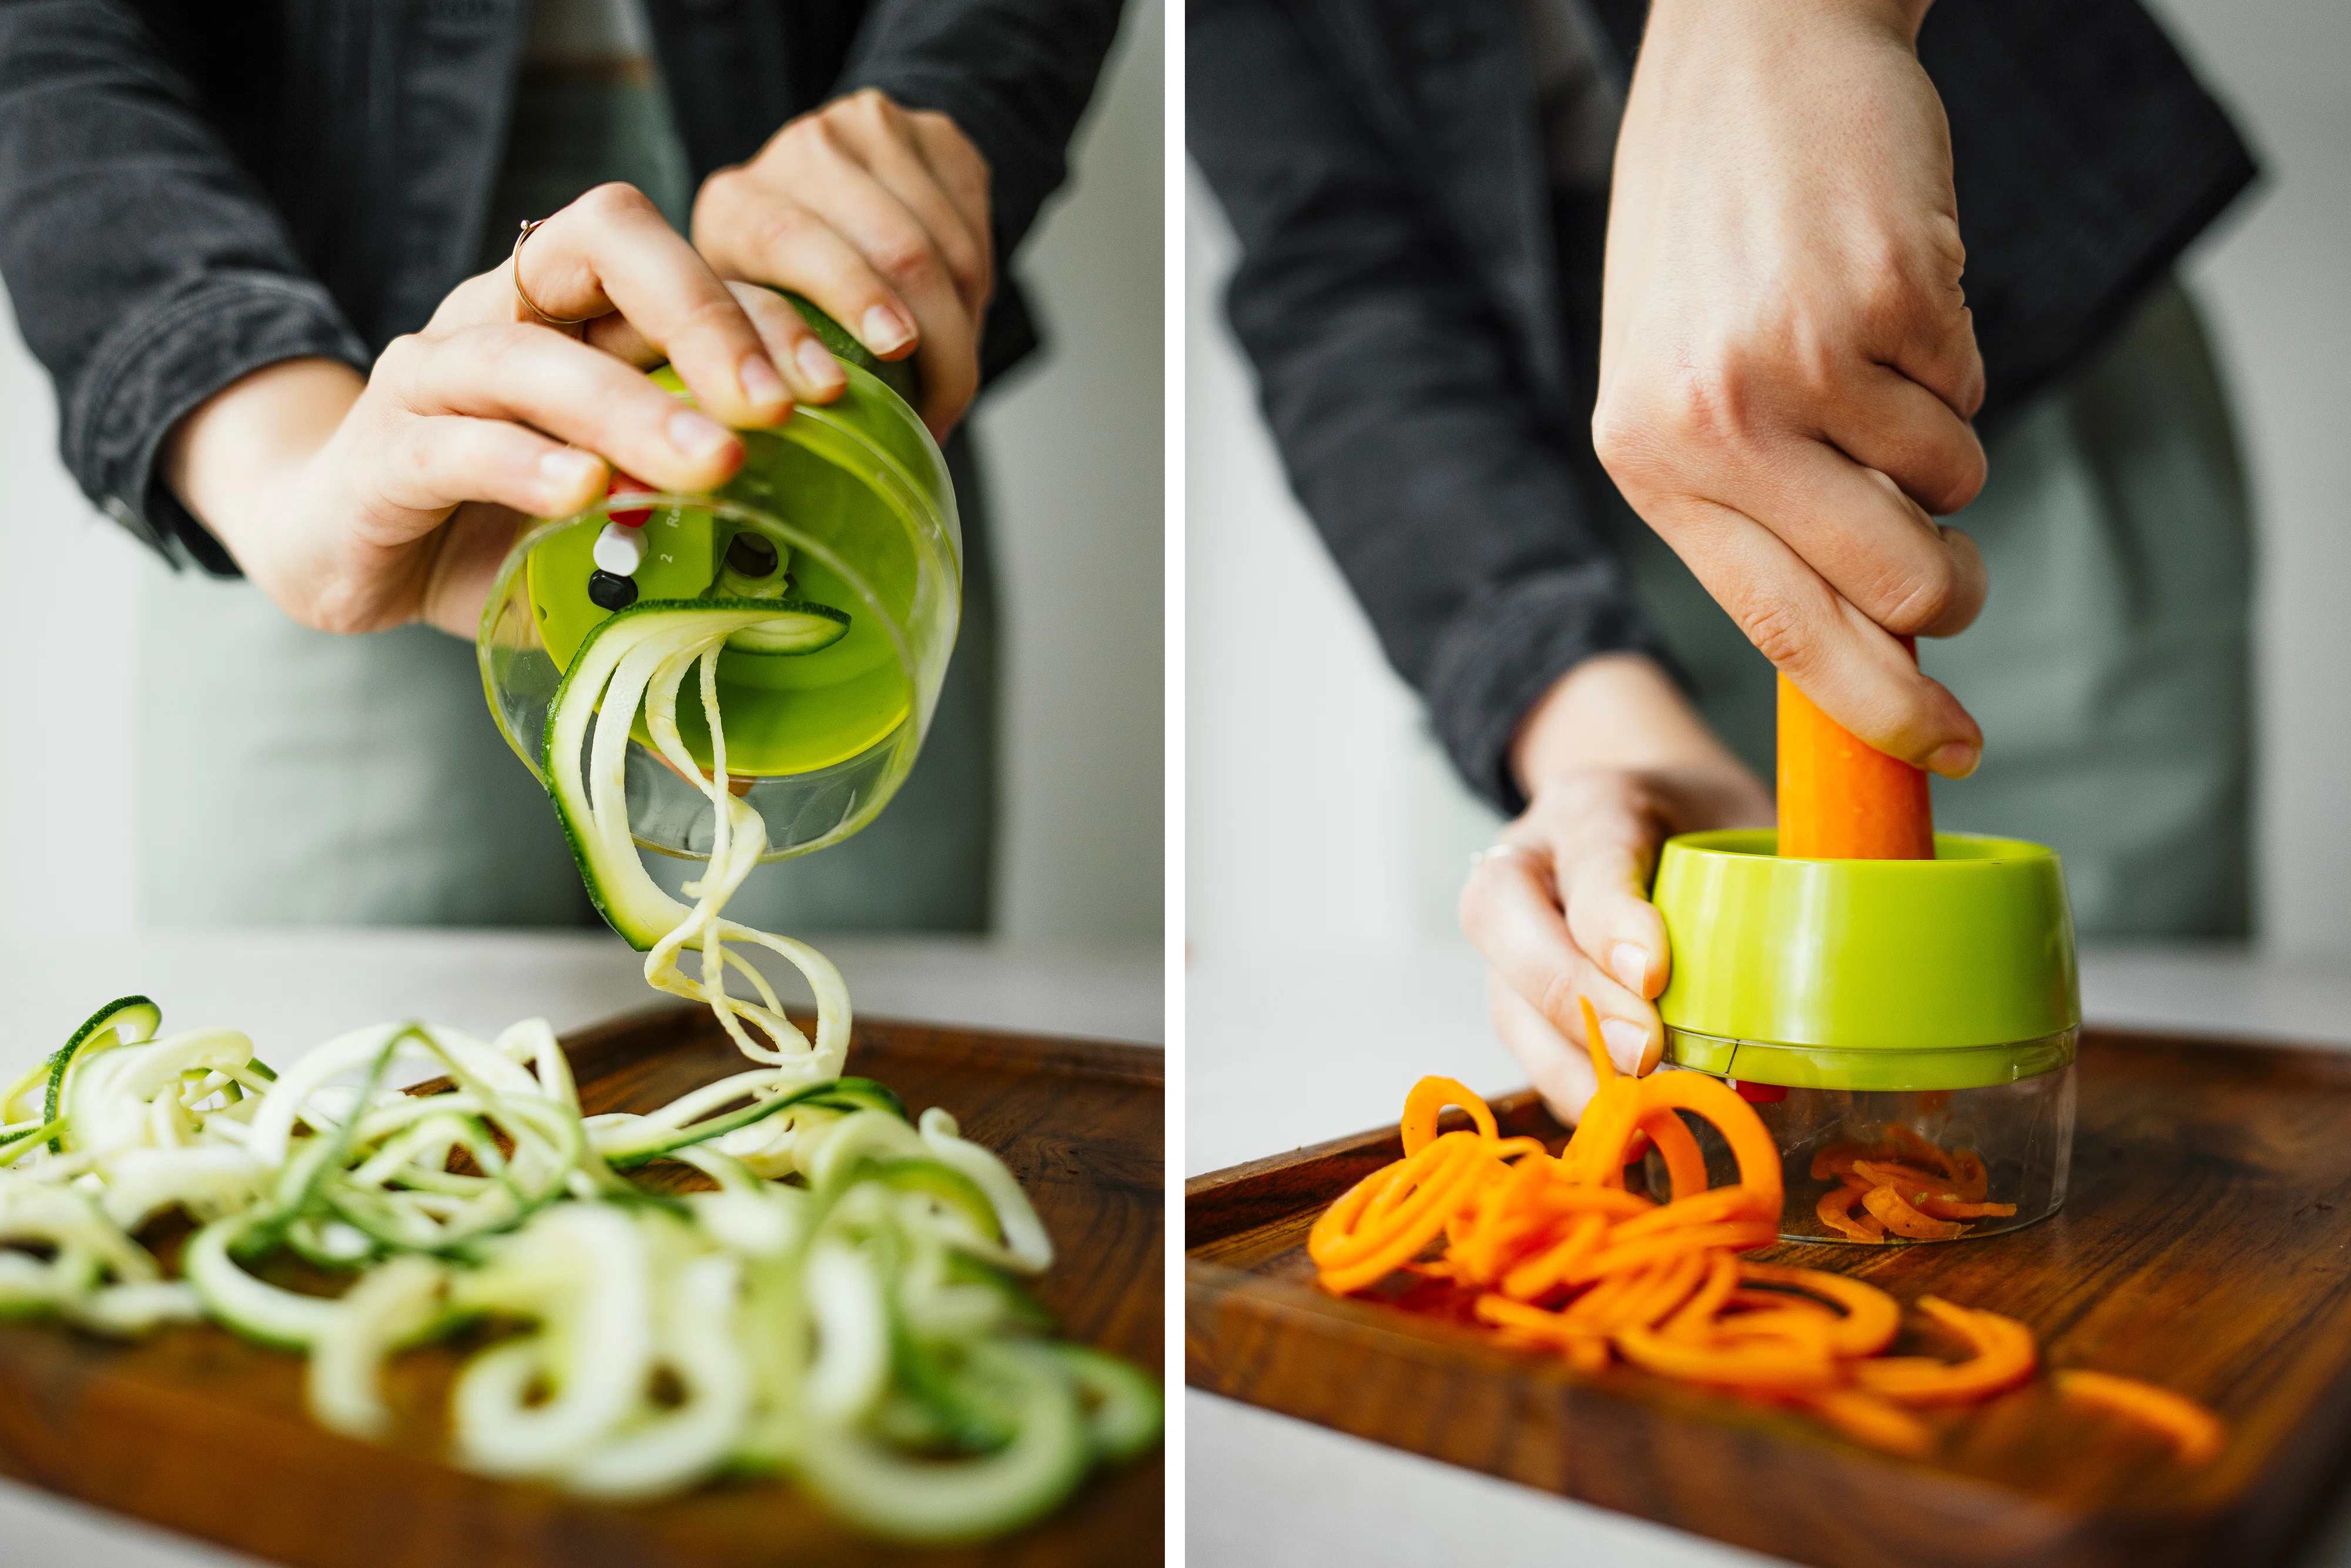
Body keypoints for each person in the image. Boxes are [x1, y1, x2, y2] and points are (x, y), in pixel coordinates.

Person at [1191, 0, 2257, 1120]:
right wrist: (1578, 716)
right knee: (1613, 1022)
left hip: (2004, 345)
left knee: (2134, 1108)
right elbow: (1333, 266)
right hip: (1531, 486)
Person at [0, 0, 1125, 929]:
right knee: (348, 1084)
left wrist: (936, 112)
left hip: (836, 372)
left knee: (883, 1087)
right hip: (305, 333)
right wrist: (271, 445)